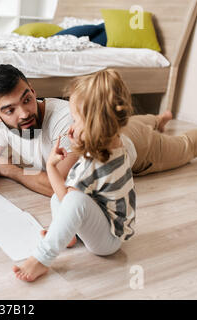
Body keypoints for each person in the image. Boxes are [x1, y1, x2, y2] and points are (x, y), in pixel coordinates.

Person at [0, 64, 197, 195]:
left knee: (185, 148)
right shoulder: (2, 126)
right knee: (126, 119)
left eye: (26, 99)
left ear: (33, 91)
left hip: (132, 149)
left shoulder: (66, 122)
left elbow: (60, 186)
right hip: (106, 126)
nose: (24, 113)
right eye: (10, 110)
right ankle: (157, 119)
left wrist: (12, 171)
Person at [13, 69, 136, 282]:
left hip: (107, 242)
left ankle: (42, 258)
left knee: (72, 199)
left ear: (94, 124)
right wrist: (81, 141)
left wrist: (51, 166)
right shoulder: (117, 144)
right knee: (69, 198)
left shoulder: (92, 163)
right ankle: (69, 235)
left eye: (76, 120)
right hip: (107, 224)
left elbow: (67, 198)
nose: (72, 126)